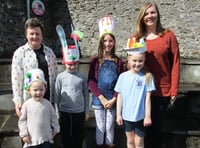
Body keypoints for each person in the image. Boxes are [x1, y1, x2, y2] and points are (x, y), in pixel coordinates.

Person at [132, 2, 180, 148]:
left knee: (155, 130)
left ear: (157, 14)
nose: (149, 16)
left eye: (152, 12)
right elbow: (131, 63)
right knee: (139, 131)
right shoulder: (137, 38)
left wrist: (174, 89)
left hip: (160, 90)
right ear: (142, 17)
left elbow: (176, 63)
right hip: (140, 90)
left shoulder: (168, 36)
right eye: (146, 13)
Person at [88, 15, 124, 148]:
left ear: (114, 42)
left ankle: (109, 145)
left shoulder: (119, 62)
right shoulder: (95, 60)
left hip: (112, 99)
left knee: (109, 126)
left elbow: (120, 83)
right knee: (100, 126)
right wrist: (101, 98)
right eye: (105, 41)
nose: (107, 44)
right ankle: (99, 145)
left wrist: (114, 99)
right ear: (101, 42)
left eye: (110, 41)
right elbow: (91, 82)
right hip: (99, 99)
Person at [11, 17, 58, 117]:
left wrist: (56, 100)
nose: (34, 36)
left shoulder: (50, 53)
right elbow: (16, 79)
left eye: (37, 34)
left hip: (48, 100)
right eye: (31, 34)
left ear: (42, 35)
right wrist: (18, 101)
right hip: (29, 101)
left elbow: (55, 77)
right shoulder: (20, 53)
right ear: (26, 35)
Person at [115, 38, 155, 148]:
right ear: (128, 59)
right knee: (131, 141)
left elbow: (148, 99)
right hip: (127, 117)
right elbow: (120, 96)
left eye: (140, 61)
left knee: (139, 143)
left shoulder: (147, 77)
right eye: (134, 60)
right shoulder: (123, 77)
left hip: (140, 117)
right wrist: (118, 115)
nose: (137, 64)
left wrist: (147, 116)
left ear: (144, 61)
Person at [54, 34, 89, 148]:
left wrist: (86, 111)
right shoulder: (60, 77)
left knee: (78, 137)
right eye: (70, 64)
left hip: (79, 113)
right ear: (65, 63)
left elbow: (86, 94)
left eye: (74, 64)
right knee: (66, 137)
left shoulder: (82, 77)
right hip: (65, 112)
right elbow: (56, 95)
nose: (72, 66)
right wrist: (57, 112)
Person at [18, 68, 60, 148]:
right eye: (35, 90)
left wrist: (56, 128)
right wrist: (24, 134)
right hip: (31, 139)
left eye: (41, 89)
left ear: (45, 89)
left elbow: (53, 117)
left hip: (46, 138)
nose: (38, 92)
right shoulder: (27, 105)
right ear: (29, 90)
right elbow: (22, 120)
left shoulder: (47, 104)